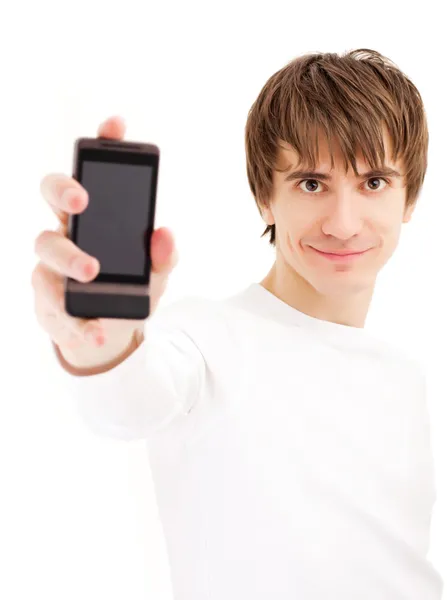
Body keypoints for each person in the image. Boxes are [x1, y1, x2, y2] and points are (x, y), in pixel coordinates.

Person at [32, 48, 444, 599]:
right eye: (311, 184)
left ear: (409, 197)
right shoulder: (205, 339)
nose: (344, 225)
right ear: (264, 197)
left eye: (373, 183)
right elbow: (129, 400)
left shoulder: (407, 378)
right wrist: (98, 346)